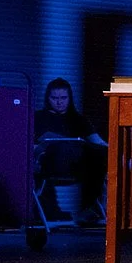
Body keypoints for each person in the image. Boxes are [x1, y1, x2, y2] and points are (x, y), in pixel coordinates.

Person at [36, 77, 108, 219]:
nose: (59, 102)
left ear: (70, 98)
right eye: (54, 98)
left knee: (98, 155)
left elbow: (98, 142)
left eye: (63, 98)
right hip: (50, 164)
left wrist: (117, 152)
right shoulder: (38, 118)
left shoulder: (78, 120)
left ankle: (89, 208)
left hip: (79, 165)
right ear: (47, 98)